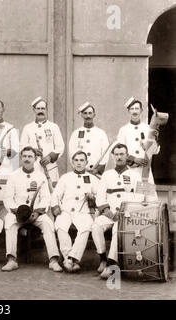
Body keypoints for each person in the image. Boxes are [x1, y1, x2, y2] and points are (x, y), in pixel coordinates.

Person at [91, 143, 156, 279]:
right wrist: (108, 212)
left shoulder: (135, 175)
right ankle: (102, 258)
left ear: (127, 156)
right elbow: (100, 197)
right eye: (117, 154)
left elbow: (140, 196)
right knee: (96, 225)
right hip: (110, 213)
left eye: (122, 154)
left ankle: (111, 264)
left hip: (126, 215)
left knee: (117, 230)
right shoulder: (107, 175)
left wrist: (126, 212)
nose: (119, 157)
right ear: (113, 156)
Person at [2, 146, 62, 272]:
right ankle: (12, 260)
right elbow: (8, 198)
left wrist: (37, 212)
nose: (27, 159)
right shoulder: (13, 176)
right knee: (9, 223)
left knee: (48, 224)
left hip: (36, 213)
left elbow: (46, 197)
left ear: (35, 159)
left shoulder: (41, 176)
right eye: (24, 156)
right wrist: (18, 212)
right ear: (20, 158)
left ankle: (53, 260)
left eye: (30, 156)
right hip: (17, 212)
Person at [51, 151, 99, 272]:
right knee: (60, 226)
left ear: (86, 162)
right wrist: (56, 206)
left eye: (82, 160)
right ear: (72, 162)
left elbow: (100, 196)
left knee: (85, 228)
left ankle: (72, 259)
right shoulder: (65, 177)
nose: (79, 163)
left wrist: (93, 198)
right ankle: (70, 259)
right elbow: (56, 195)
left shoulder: (93, 179)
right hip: (65, 210)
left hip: (83, 211)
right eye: (76, 160)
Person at [20, 97, 65, 185]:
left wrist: (49, 157)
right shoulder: (28, 128)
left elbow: (60, 147)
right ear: (34, 110)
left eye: (43, 108)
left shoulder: (53, 127)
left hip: (50, 167)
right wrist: (33, 150)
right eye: (38, 108)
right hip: (33, 166)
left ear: (46, 110)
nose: (40, 111)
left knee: (51, 191)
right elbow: (22, 146)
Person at [117, 97, 160, 181]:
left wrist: (155, 141)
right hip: (129, 170)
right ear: (129, 111)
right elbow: (119, 151)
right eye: (132, 109)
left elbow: (155, 151)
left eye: (137, 108)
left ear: (141, 110)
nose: (134, 111)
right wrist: (134, 159)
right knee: (129, 193)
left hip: (145, 171)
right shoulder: (123, 130)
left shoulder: (148, 128)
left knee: (147, 193)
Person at [68, 102, 109, 176]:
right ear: (82, 115)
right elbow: (72, 153)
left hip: (96, 173)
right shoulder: (75, 133)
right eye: (85, 113)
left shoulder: (101, 133)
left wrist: (97, 169)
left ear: (94, 115)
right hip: (81, 172)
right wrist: (80, 169)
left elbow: (106, 154)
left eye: (90, 113)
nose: (88, 116)